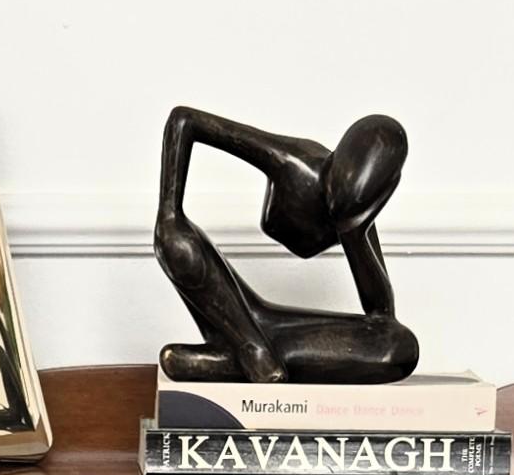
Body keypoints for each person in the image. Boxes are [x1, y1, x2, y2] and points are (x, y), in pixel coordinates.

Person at [152, 106, 418, 384]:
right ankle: (249, 347)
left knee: (398, 345)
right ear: (333, 168)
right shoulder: (294, 162)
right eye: (332, 205)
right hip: (237, 311)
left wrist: (357, 233)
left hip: (267, 324)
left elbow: (382, 315)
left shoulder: (358, 214)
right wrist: (169, 209)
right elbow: (185, 119)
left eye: (347, 216)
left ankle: (233, 359)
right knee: (176, 242)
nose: (337, 218)